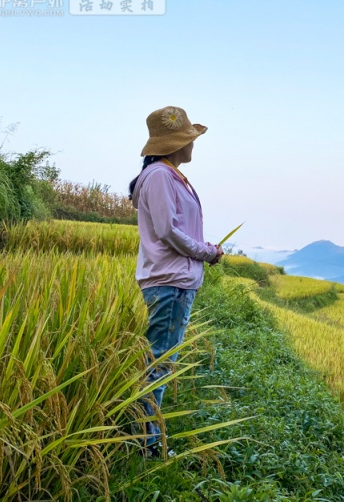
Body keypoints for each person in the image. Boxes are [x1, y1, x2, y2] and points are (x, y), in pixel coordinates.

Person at [129, 105, 224, 457]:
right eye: (188, 139)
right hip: (170, 281)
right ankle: (147, 444)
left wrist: (203, 250)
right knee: (159, 364)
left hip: (173, 280)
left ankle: (145, 437)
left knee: (159, 361)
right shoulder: (160, 177)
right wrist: (206, 252)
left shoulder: (167, 175)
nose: (193, 145)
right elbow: (170, 231)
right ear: (174, 144)